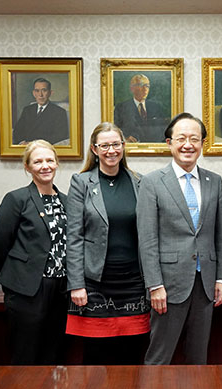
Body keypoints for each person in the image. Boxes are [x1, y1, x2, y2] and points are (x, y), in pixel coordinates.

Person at [137, 112, 222, 365]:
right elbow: (147, 240)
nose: (188, 144)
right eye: (181, 138)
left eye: (194, 139)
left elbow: (221, 234)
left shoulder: (214, 181)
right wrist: (154, 285)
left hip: (206, 283)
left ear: (202, 144)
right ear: (169, 143)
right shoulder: (152, 182)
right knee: (160, 356)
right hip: (168, 285)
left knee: (198, 358)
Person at [65, 122, 150, 365]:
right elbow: (74, 237)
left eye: (115, 144)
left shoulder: (140, 182)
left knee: (132, 355)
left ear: (123, 146)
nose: (111, 150)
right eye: (104, 145)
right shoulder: (81, 183)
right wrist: (76, 285)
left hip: (133, 282)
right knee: (97, 356)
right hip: (95, 284)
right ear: (94, 149)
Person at [0, 140, 68, 365]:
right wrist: (15, 281)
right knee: (26, 354)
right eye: (38, 161)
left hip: (61, 290)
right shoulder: (16, 199)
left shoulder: (66, 201)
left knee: (54, 352)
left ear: (56, 164)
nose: (45, 166)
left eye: (49, 160)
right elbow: (1, 246)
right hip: (27, 290)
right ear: (27, 167)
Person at [13, 78, 69, 145]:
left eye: (44, 90)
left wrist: (35, 143)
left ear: (50, 93)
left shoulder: (59, 112)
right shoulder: (27, 110)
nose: (40, 95)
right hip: (25, 147)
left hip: (44, 148)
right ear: (34, 93)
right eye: (37, 91)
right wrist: (22, 142)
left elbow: (60, 136)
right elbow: (17, 131)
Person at [113, 74, 167, 143]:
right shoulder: (121, 108)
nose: (145, 89)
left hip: (154, 148)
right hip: (132, 148)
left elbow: (163, 130)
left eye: (147, 86)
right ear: (132, 88)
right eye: (141, 85)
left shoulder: (156, 107)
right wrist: (124, 138)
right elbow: (115, 130)